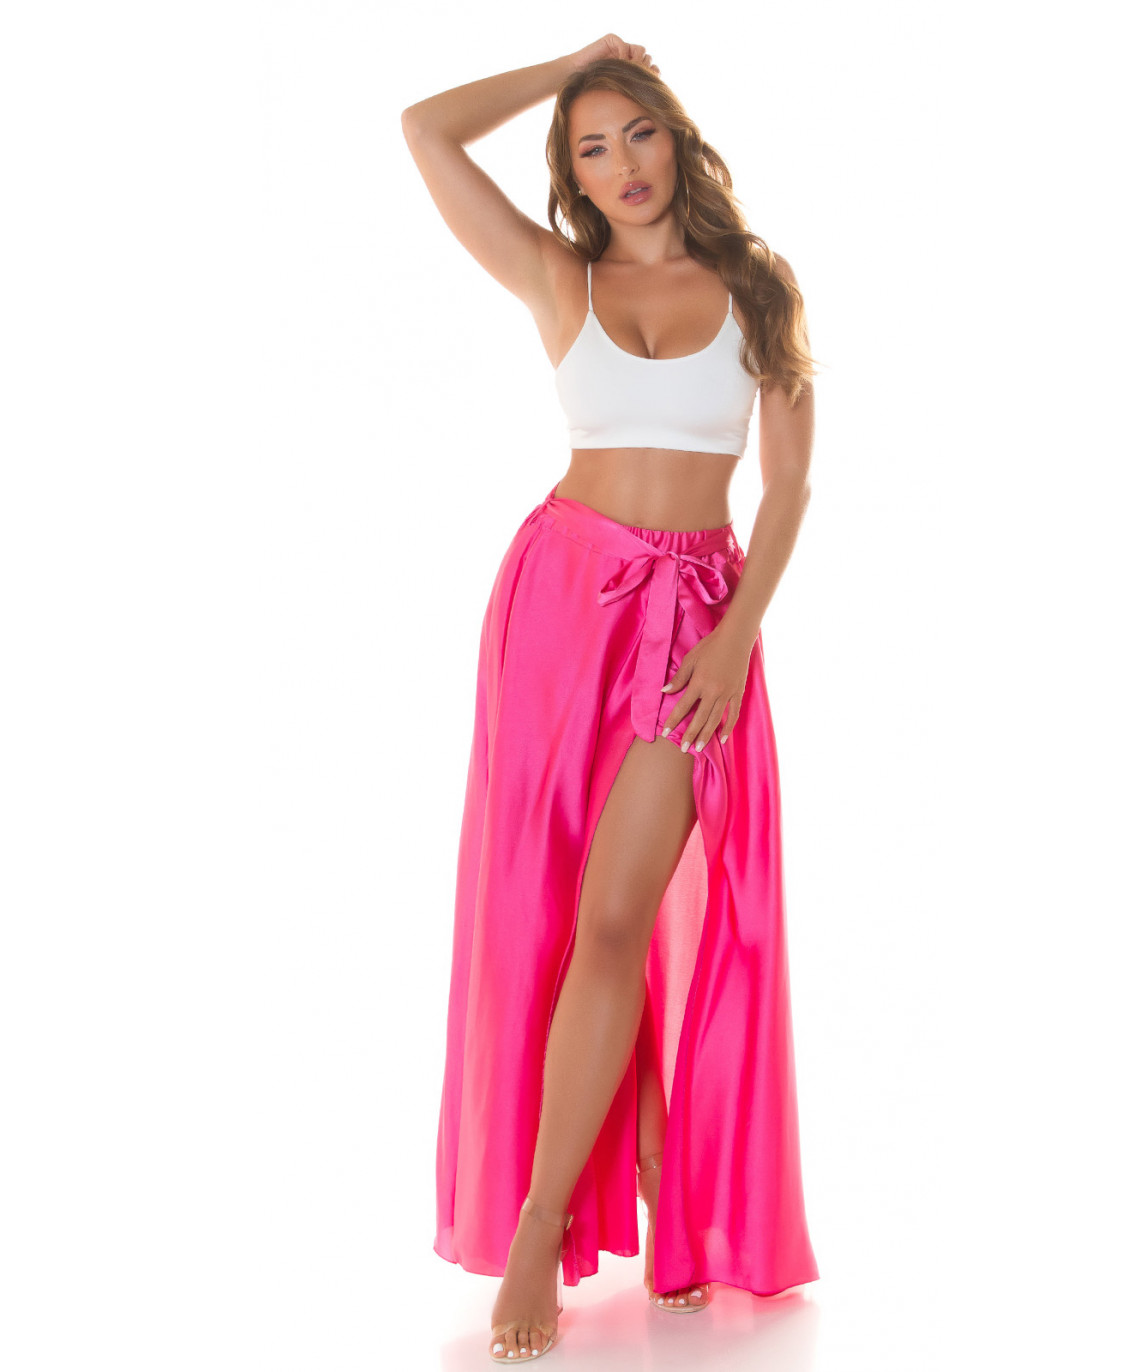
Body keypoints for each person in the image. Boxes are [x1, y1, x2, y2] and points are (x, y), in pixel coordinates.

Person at [403, 34, 820, 1363]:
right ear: (572, 174)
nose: (622, 163)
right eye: (591, 147)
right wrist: (572, 63)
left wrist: (737, 636)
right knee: (552, 905)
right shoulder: (559, 277)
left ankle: (541, 1226)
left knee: (618, 914)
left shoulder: (756, 285)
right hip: (557, 605)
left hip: (692, 618)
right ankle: (632, 1148)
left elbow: (790, 486)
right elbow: (424, 128)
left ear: (676, 139)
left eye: (637, 131)